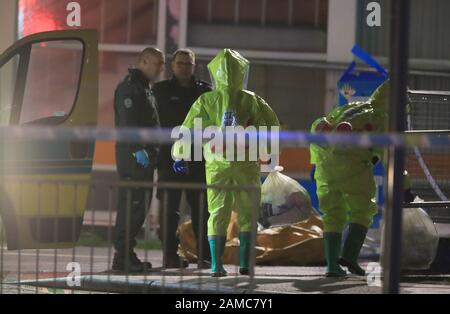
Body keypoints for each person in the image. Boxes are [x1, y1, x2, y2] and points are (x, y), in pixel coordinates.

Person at [172, 49, 280, 277]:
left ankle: (216, 265)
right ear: (242, 72)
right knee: (248, 212)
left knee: (217, 212)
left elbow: (189, 127)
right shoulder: (252, 100)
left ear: (215, 73)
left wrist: (180, 153)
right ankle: (245, 264)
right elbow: (270, 125)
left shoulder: (207, 100)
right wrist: (268, 152)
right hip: (245, 163)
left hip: (216, 164)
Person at [310, 81, 391, 277]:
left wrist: (314, 164)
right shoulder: (382, 118)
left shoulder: (350, 107)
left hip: (325, 166)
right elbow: (389, 153)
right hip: (353, 167)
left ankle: (332, 266)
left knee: (332, 215)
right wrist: (403, 182)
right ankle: (350, 255)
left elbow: (318, 129)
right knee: (362, 210)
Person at [152, 49, 212, 269]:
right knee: (169, 209)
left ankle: (204, 256)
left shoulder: (205, 92)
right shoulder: (160, 91)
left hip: (198, 159)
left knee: (202, 210)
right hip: (170, 157)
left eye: (188, 64)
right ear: (172, 65)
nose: (184, 67)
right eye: (180, 63)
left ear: (194, 66)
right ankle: (170, 255)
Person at [112, 48, 165, 272]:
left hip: (143, 157)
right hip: (134, 157)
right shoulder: (130, 88)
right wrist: (138, 149)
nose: (161, 69)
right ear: (144, 61)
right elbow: (127, 123)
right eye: (157, 64)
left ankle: (125, 255)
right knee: (133, 204)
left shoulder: (144, 87)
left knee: (138, 205)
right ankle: (123, 255)